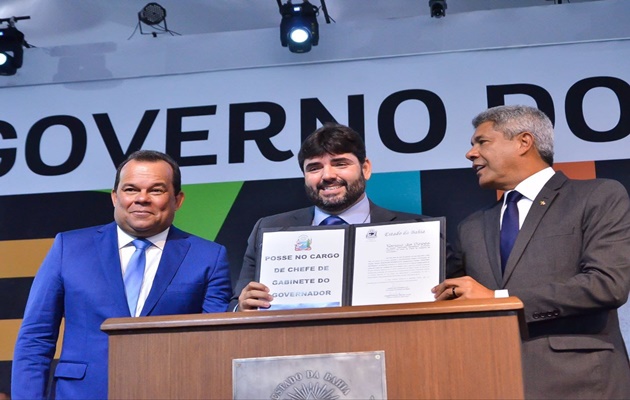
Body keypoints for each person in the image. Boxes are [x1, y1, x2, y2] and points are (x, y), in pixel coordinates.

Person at [432, 105, 630, 399]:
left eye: (482, 142)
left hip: (580, 383)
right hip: (492, 381)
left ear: (524, 142)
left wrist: (501, 299)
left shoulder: (598, 196)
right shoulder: (471, 226)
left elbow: (607, 285)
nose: (470, 154)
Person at [12, 150, 232, 399]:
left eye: (156, 190)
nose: (142, 199)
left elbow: (216, 347)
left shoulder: (208, 257)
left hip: (171, 391)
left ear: (178, 200)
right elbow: (35, 339)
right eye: (130, 189)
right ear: (115, 197)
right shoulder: (69, 248)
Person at [231, 122, 431, 311]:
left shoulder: (419, 232)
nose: (327, 175)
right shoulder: (269, 229)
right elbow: (235, 306)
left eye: (340, 163)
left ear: (365, 168)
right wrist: (241, 307)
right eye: (314, 168)